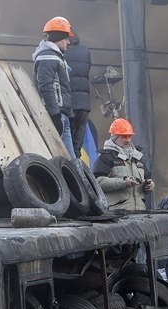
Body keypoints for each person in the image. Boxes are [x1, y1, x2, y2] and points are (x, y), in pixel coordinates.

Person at [32, 16, 77, 158]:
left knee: (70, 160)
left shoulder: (55, 56)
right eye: (66, 38)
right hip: (56, 114)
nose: (68, 42)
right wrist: (54, 113)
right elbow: (46, 86)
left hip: (61, 113)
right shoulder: (48, 57)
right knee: (66, 160)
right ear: (59, 37)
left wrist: (68, 113)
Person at [93, 118, 154, 210]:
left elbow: (147, 178)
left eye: (129, 136)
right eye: (124, 137)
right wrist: (124, 182)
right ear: (114, 137)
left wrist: (150, 185)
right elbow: (97, 183)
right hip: (117, 215)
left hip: (140, 213)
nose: (128, 140)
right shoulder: (105, 157)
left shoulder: (138, 157)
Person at [63, 29, 91, 158]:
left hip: (69, 102)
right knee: (79, 137)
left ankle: (69, 162)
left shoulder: (62, 52)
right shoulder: (85, 51)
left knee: (66, 138)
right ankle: (78, 161)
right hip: (84, 103)